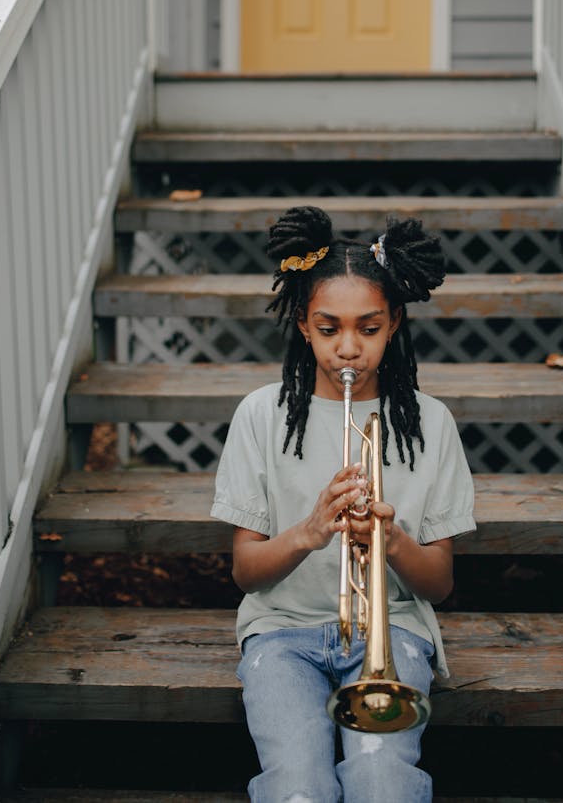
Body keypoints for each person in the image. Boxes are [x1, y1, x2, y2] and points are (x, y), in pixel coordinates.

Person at [211, 205, 476, 802]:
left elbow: (437, 587)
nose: (349, 348)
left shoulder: (429, 424)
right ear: (303, 326)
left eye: (369, 327)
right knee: (296, 785)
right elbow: (245, 572)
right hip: (280, 634)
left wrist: (392, 539)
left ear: (396, 323)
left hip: (394, 632)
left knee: (383, 779)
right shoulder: (261, 414)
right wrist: (309, 531)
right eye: (329, 328)